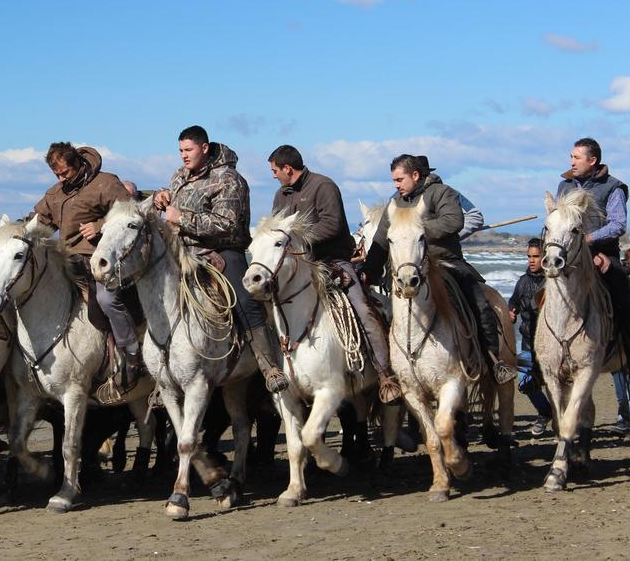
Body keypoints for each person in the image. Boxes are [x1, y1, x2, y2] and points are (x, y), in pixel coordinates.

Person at [153, 125, 289, 393]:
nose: (183, 155)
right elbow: (176, 202)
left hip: (222, 251)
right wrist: (161, 196)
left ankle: (268, 366)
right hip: (181, 251)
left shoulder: (229, 179)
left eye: (188, 150)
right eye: (180, 150)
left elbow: (225, 224)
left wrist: (181, 218)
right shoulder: (180, 176)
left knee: (244, 299)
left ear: (204, 148)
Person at [361, 154, 517, 384]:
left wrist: (417, 228)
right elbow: (382, 240)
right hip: (408, 270)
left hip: (446, 262)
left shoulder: (441, 193)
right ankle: (393, 370)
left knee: (480, 305)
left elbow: (454, 221)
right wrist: (368, 271)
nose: (396, 185)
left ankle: (493, 361)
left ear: (415, 175)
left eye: (399, 179)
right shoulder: (395, 202)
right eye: (394, 180)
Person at [268, 145, 401, 403]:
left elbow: (333, 224)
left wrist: (298, 238)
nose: (273, 175)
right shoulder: (280, 195)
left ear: (287, 168)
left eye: (275, 170)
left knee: (362, 307)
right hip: (298, 265)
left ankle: (385, 376)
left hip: (333, 261)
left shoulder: (324, 186)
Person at [32, 142, 144, 390]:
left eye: (65, 173)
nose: (61, 179)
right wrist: (17, 232)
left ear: (78, 164)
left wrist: (100, 225)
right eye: (57, 175)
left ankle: (132, 352)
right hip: (69, 261)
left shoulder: (105, 183)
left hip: (102, 260)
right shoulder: (55, 194)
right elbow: (39, 221)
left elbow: (130, 215)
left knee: (106, 301)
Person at [555, 137, 630, 432]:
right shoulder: (564, 186)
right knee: (541, 297)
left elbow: (618, 224)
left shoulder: (613, 188)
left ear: (593, 160)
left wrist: (589, 241)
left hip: (601, 255)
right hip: (568, 259)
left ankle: (624, 348)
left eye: (576, 157)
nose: (572, 161)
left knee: (623, 298)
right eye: (571, 156)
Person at [508, 238, 551, 437]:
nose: (531, 260)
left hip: (550, 344)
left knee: (553, 384)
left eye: (536, 256)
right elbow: (513, 301)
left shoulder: (552, 280)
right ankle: (545, 412)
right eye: (529, 256)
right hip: (526, 341)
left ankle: (562, 420)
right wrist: (511, 311)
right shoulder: (522, 281)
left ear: (544, 257)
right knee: (526, 383)